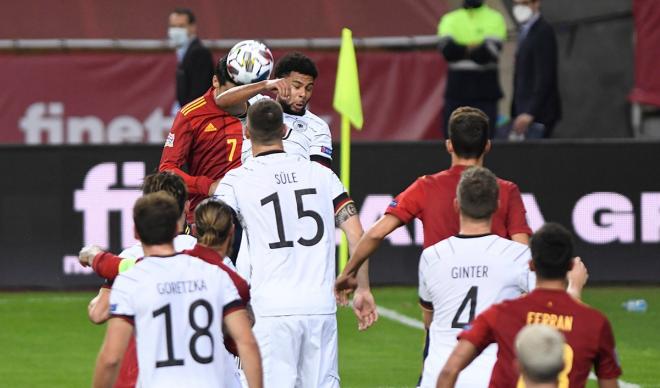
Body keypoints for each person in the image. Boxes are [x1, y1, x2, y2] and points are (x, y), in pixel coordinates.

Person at [213, 99, 377, 387]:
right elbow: (356, 232)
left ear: (247, 134)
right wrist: (361, 286)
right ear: (286, 130)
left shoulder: (235, 181)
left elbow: (215, 239)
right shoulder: (322, 175)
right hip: (319, 307)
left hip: (268, 309)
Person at [80, 173, 246, 388]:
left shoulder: (131, 260)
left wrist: (101, 261)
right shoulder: (211, 258)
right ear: (186, 207)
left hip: (159, 374)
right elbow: (243, 317)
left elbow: (98, 313)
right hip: (211, 375)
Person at [336, 107, 531, 288]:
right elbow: (522, 249)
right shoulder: (507, 190)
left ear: (449, 145)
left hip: (442, 298)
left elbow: (376, 233)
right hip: (494, 296)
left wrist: (348, 271)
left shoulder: (425, 187)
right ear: (487, 146)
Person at [436, 223, 622, 388]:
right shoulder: (595, 323)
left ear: (531, 265)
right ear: (570, 266)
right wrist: (574, 291)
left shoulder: (500, 314)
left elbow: (448, 371)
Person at [417, 166, 533, 387]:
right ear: (498, 206)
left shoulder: (431, 257)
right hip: (491, 377)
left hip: (439, 375)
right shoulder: (519, 256)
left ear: (456, 205)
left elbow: (428, 321)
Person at [159, 55, 244, 227]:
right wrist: (209, 186)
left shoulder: (256, 109)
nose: (237, 97)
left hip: (249, 213)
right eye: (232, 91)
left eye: (242, 90)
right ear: (215, 81)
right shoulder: (190, 115)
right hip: (207, 219)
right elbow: (167, 170)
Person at [215, 51, 333, 167]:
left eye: (309, 88)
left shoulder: (318, 126)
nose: (303, 94)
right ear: (278, 81)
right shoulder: (257, 105)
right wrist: (264, 85)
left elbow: (321, 174)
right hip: (251, 182)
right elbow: (221, 101)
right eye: (297, 86)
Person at [437, 0, 507, 138]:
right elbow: (448, 51)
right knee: (452, 139)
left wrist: (462, 48)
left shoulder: (495, 18)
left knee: (485, 140)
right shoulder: (449, 19)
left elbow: (487, 54)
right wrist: (474, 48)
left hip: (485, 93)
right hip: (456, 93)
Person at [510, 0, 561, 138]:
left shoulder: (543, 31)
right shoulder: (524, 31)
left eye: (524, 3)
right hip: (522, 111)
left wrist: (531, 112)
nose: (520, 8)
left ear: (536, 3)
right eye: (516, 4)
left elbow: (545, 75)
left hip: (539, 114)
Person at [168, 8, 214, 110]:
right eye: (173, 26)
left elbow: (199, 94)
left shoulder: (199, 53)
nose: (176, 30)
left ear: (192, 27)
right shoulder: (184, 52)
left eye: (181, 26)